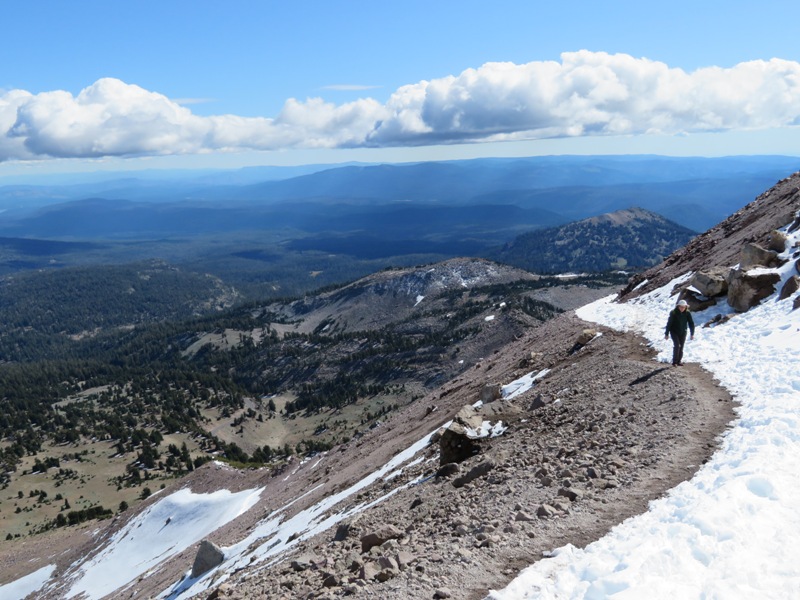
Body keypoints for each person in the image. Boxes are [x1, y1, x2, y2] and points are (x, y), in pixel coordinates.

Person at [664, 299, 695, 366]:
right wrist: (666, 333)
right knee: (677, 345)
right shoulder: (673, 312)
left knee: (681, 346)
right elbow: (669, 323)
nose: (682, 308)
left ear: (686, 307)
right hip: (674, 331)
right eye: (681, 307)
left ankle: (679, 361)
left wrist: (692, 333)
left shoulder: (687, 313)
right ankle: (674, 361)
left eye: (684, 307)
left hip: (683, 332)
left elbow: (691, 323)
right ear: (678, 306)